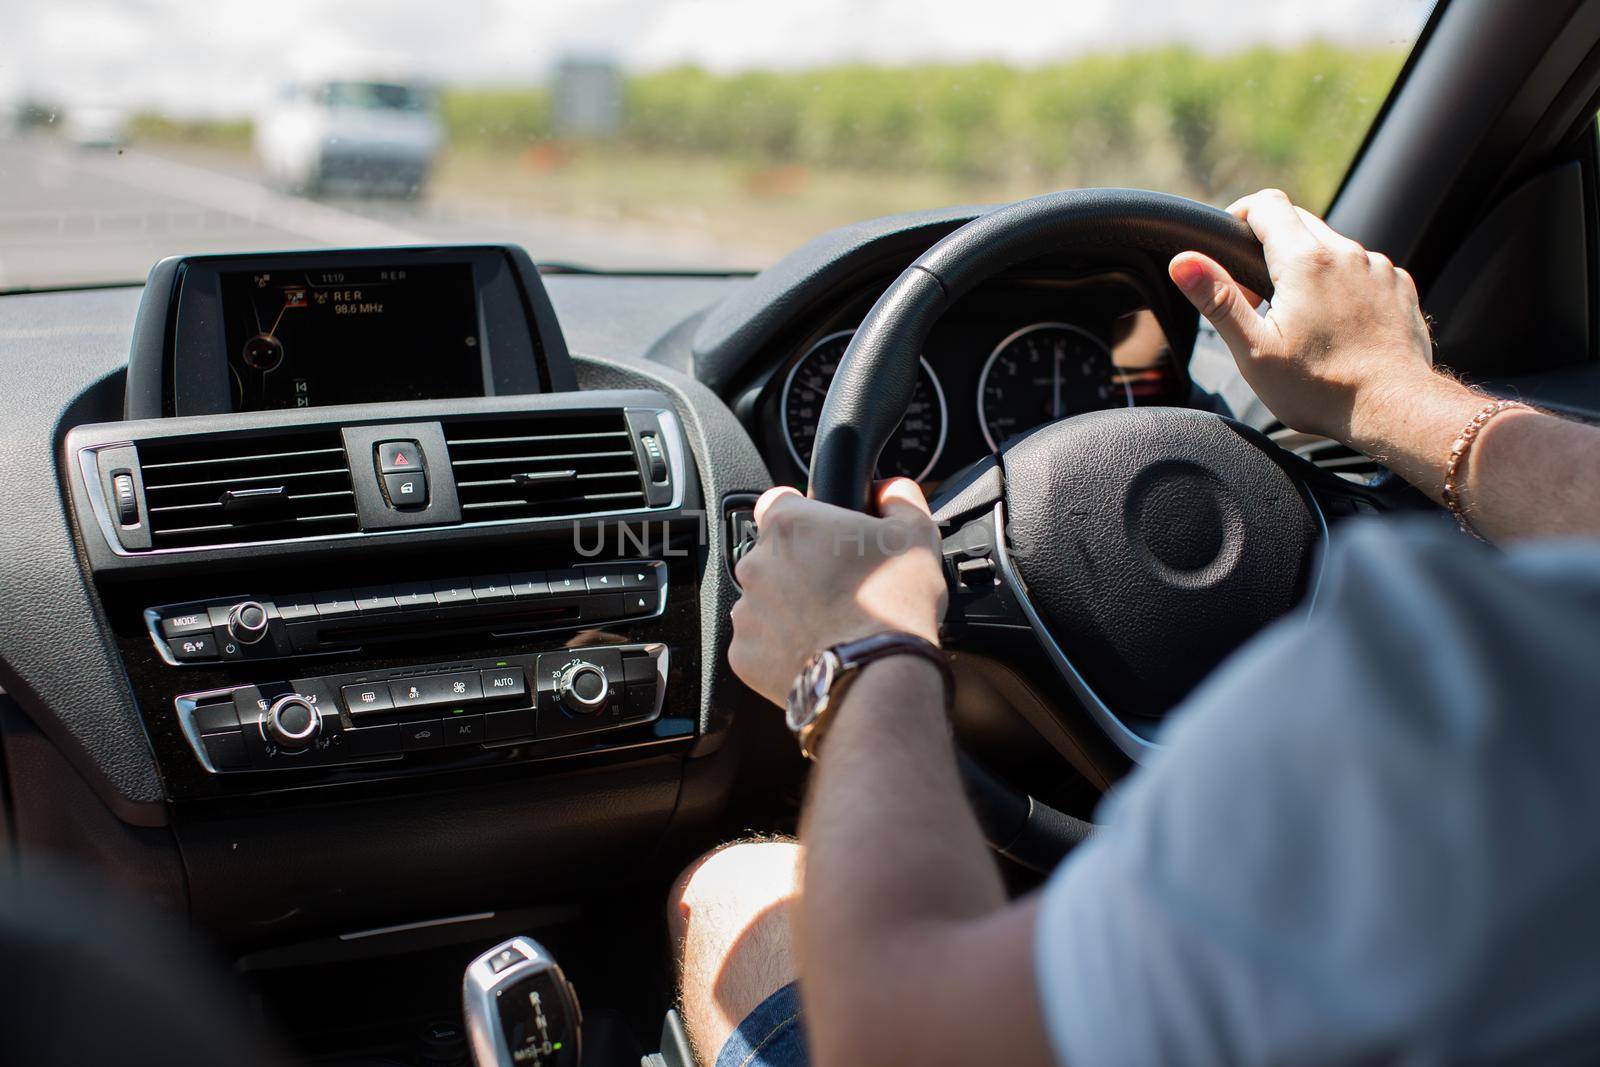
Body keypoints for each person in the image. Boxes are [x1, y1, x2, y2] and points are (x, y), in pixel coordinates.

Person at [668, 189, 1600, 1066]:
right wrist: (1393, 391)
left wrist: (860, 645)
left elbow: (900, 1031)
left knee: (736, 891)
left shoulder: (1444, 709)